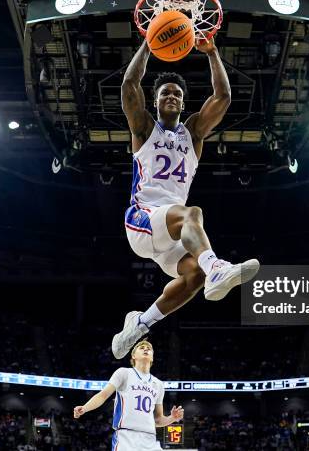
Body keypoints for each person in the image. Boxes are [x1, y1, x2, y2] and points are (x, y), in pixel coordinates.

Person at [112, 35, 260, 359]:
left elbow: (223, 96)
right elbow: (128, 85)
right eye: (165, 93)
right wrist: (148, 45)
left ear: (183, 103)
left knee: (195, 276)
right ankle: (217, 267)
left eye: (177, 94)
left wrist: (213, 52)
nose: (171, 96)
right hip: (142, 217)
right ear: (155, 101)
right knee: (192, 213)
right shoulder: (143, 127)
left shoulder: (192, 133)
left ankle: (140, 323)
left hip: (170, 232)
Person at [73, 340, 183, 451]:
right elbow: (103, 395)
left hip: (150, 438)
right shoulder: (124, 373)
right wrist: (85, 407)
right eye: (142, 347)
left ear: (152, 358)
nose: (146, 349)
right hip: (126, 437)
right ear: (133, 356)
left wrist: (172, 418)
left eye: (149, 349)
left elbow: (158, 420)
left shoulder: (159, 384)